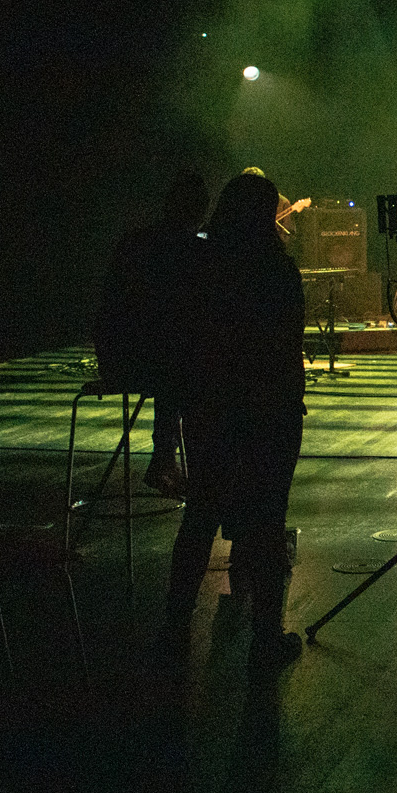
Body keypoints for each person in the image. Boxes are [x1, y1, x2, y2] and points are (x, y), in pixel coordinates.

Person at [158, 171, 309, 669]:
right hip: (270, 410)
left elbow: (183, 345)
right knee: (267, 525)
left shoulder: (200, 268)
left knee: (200, 516)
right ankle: (266, 639)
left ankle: (173, 632)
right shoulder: (278, 270)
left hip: (211, 409)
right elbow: (288, 347)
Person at [94, 171, 211, 499]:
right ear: (199, 212)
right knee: (189, 364)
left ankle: (168, 460)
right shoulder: (193, 251)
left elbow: (110, 309)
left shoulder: (134, 241)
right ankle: (190, 468)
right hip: (154, 364)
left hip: (119, 357)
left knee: (177, 355)